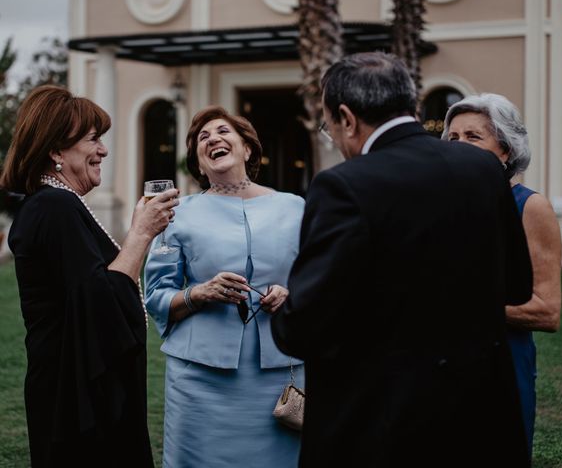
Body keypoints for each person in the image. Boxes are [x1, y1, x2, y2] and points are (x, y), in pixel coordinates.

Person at [270, 51, 534, 467]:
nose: (334, 138)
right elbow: (518, 285)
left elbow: (302, 328)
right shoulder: (482, 167)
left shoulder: (343, 186)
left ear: (347, 117)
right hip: (479, 416)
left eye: (329, 126)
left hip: (381, 425)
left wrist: (285, 309)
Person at [0, 85, 178, 467]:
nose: (104, 150)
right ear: (56, 151)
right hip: (78, 396)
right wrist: (142, 233)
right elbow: (101, 305)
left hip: (75, 383)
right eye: (93, 139)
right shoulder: (55, 207)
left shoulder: (55, 205)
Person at [144, 106, 305, 467]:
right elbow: (155, 296)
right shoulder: (177, 214)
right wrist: (198, 293)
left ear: (248, 148)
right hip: (200, 380)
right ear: (199, 165)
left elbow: (317, 281)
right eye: (203, 138)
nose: (213, 139)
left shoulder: (295, 208)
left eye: (223, 132)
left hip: (279, 376)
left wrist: (290, 294)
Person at [442, 92, 562, 459]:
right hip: (436, 366)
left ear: (506, 150)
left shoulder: (530, 207)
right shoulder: (437, 205)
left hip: (500, 368)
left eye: (473, 137)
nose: (459, 145)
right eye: (452, 138)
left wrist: (464, 306)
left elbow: (546, 310)